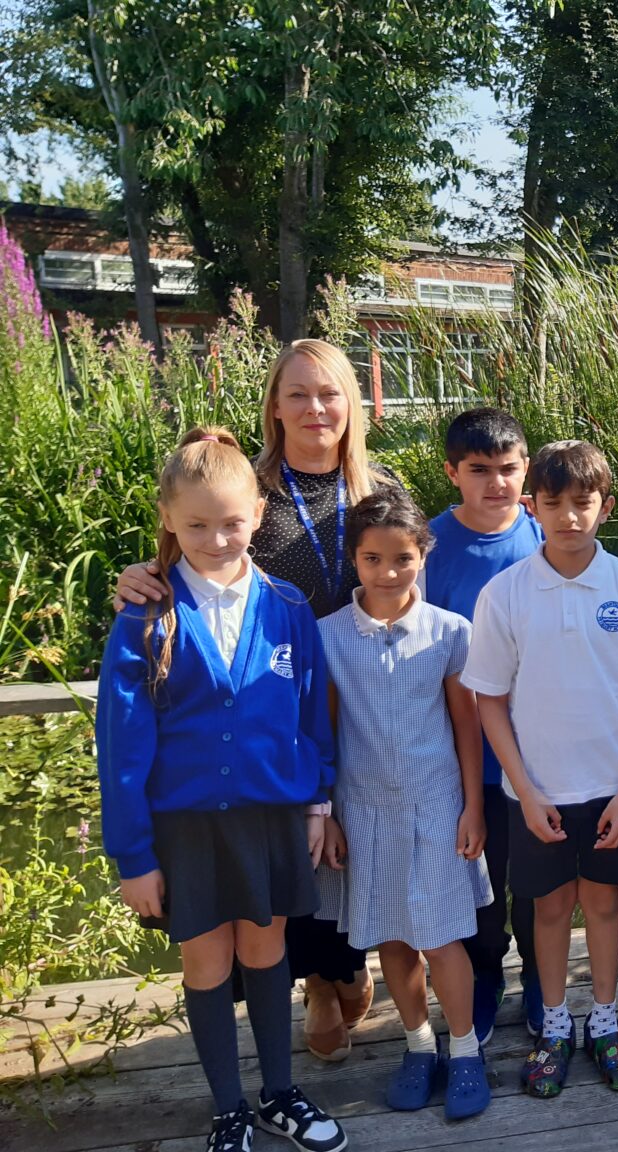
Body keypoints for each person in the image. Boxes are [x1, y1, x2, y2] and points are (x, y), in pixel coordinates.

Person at [113, 339, 395, 1059]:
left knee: (350, 850)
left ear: (351, 405)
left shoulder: (378, 488)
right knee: (287, 857)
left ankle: (347, 966)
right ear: (274, 404)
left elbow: (414, 569)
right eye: (297, 393)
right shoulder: (249, 489)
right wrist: (140, 573)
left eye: (329, 393)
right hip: (275, 704)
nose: (315, 408)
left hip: (362, 701)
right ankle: (316, 986)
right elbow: (197, 548)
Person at [96, 427, 347, 1152]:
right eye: (197, 523)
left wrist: (317, 802)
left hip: (272, 817)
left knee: (268, 952)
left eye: (231, 522)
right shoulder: (145, 616)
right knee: (208, 962)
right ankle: (228, 1107)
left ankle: (278, 1092)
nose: (216, 538)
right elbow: (120, 745)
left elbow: (310, 713)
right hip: (186, 827)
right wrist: (133, 856)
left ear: (258, 516)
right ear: (169, 519)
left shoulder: (290, 606)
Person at [461, 440, 618, 1099]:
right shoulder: (505, 594)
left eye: (582, 502)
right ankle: (555, 1027)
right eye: (552, 503)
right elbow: (490, 701)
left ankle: (607, 1021)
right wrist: (525, 792)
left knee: (605, 905)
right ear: (531, 508)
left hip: (612, 790)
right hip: (536, 795)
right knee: (550, 908)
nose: (568, 517)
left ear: (606, 507)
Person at [314, 490, 492, 1120]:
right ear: (354, 559)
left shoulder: (450, 632)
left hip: (438, 805)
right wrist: (327, 814)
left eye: (402, 559)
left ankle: (466, 1051)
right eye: (372, 560)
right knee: (392, 936)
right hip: (364, 812)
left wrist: (474, 807)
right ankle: (419, 1045)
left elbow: (467, 728)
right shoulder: (327, 637)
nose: (388, 573)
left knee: (443, 939)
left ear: (424, 554)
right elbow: (325, 735)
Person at [419, 407, 544, 1045]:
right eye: (480, 470)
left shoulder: (548, 534)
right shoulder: (430, 548)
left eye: (508, 469)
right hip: (468, 752)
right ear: (452, 473)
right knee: (483, 881)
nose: (497, 483)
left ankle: (543, 982)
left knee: (540, 879)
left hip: (541, 747)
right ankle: (487, 978)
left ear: (527, 470)